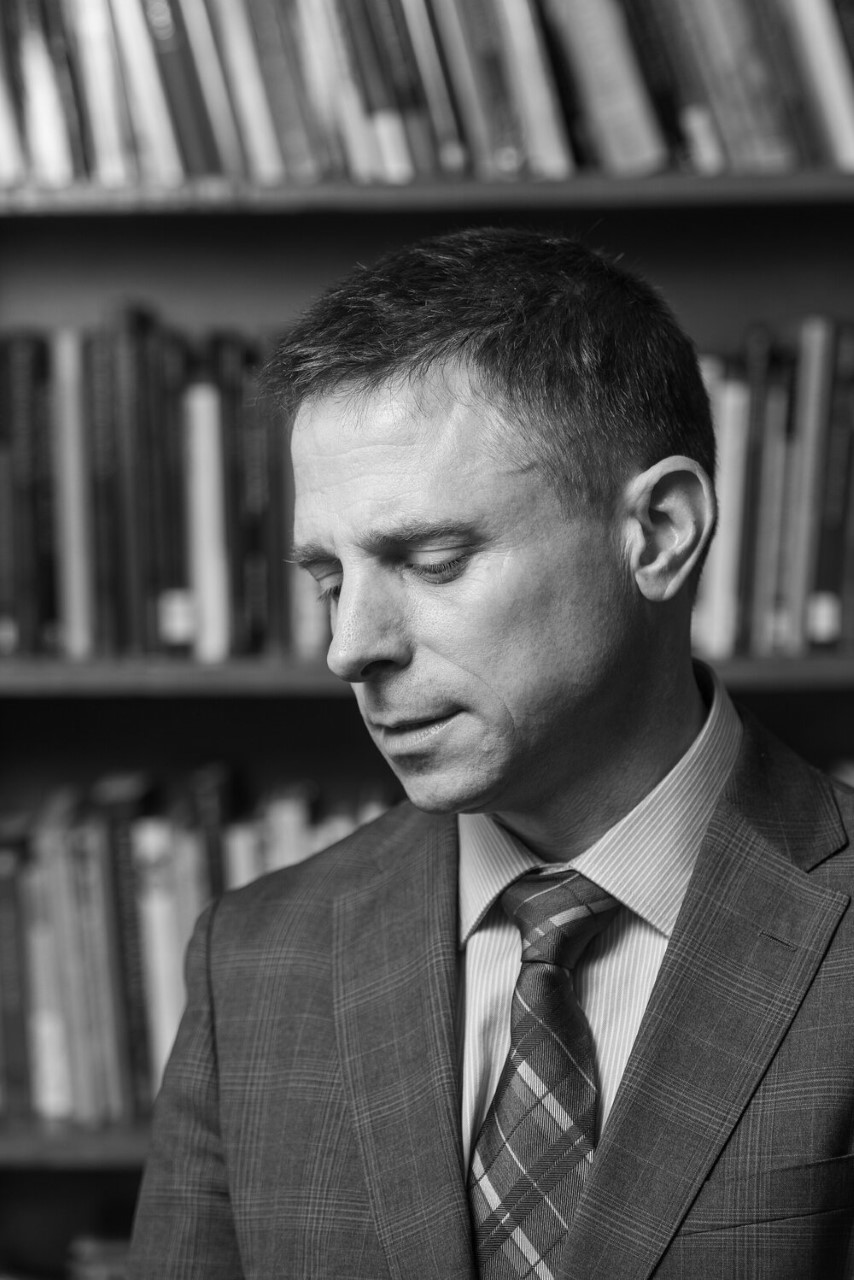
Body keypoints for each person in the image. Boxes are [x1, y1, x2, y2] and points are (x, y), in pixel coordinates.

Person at [128, 228, 854, 1279]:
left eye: (430, 559)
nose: (348, 647)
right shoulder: (251, 960)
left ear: (656, 532)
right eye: (327, 578)